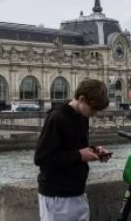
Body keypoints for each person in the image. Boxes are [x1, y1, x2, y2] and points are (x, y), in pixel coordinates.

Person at [34, 79, 112, 221]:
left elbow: (73, 147)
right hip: (56, 196)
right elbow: (42, 159)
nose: (94, 113)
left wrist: (94, 150)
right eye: (93, 108)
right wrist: (79, 156)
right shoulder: (57, 118)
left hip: (77, 193)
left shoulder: (82, 117)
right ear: (81, 99)